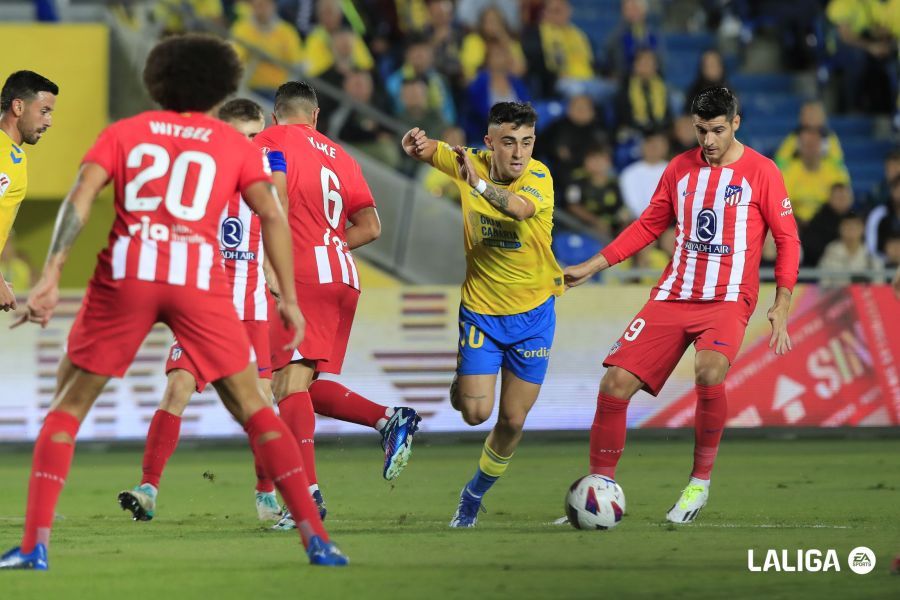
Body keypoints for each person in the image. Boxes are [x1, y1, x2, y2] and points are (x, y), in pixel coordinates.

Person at [0, 34, 347, 570]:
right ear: (220, 87)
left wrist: (50, 274)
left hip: (129, 274)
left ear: (155, 82)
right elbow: (274, 216)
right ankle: (316, 539)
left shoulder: (126, 132)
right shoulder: (233, 145)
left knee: (68, 403)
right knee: (256, 406)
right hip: (198, 283)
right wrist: (291, 297)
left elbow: (80, 198)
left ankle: (33, 547)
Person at [562, 87, 800, 524]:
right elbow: (648, 226)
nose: (708, 140)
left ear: (736, 123)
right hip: (673, 294)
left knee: (709, 371)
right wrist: (591, 266)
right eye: (701, 130)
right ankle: (599, 492)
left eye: (717, 130)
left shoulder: (762, 172)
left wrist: (781, 301)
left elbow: (787, 240)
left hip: (728, 298)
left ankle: (698, 484)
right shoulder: (679, 169)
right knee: (614, 384)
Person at [254, 81, 422, 530]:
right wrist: (329, 248)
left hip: (304, 272)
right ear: (315, 115)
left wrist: (278, 262)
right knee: (302, 384)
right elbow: (370, 226)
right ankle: (388, 419)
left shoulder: (270, 141)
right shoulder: (342, 156)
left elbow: (276, 198)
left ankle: (305, 499)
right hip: (343, 275)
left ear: (276, 115)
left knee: (287, 384)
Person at [116, 98, 284, 523]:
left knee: (261, 403)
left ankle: (266, 494)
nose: (250, 144)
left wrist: (275, 272)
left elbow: (275, 220)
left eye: (255, 135)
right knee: (177, 389)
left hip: (249, 308)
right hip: (203, 304)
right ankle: (148, 489)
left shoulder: (270, 166)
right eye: (240, 135)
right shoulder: (194, 170)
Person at [401, 102, 563, 527]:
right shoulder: (469, 161)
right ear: (489, 143)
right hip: (481, 313)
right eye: (509, 142)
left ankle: (472, 495)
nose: (519, 153)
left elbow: (518, 209)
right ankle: (465, 377)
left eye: (527, 142)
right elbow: (431, 150)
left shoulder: (540, 178)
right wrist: (416, 143)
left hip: (533, 316)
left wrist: (477, 186)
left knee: (511, 419)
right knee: (474, 414)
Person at [0, 70, 57, 312]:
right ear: (19, 107)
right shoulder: (4, 155)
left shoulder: (12, 155)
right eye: (44, 111)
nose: (49, 122)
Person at [231, 0, 305, 97]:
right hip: (247, 87)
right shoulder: (241, 28)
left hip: (276, 91)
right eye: (256, 5)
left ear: (273, 6)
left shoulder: (287, 32)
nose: (260, 9)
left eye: (264, 5)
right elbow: (234, 57)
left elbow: (297, 65)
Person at [779, 126, 850, 226]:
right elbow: (782, 205)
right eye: (807, 145)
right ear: (800, 147)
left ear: (822, 147)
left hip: (828, 222)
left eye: (814, 145)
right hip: (797, 224)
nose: (811, 149)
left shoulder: (835, 171)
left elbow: (844, 202)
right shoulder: (788, 171)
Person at [818, 213, 883, 287]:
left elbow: (878, 284)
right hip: (837, 296)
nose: (851, 230)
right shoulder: (830, 252)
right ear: (840, 229)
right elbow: (824, 282)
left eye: (855, 226)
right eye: (847, 226)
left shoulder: (870, 255)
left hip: (863, 297)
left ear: (863, 229)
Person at [619, 130, 669, 218]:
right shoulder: (629, 173)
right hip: (640, 222)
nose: (653, 148)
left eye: (657, 145)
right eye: (650, 144)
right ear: (642, 146)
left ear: (665, 148)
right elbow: (633, 205)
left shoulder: (675, 170)